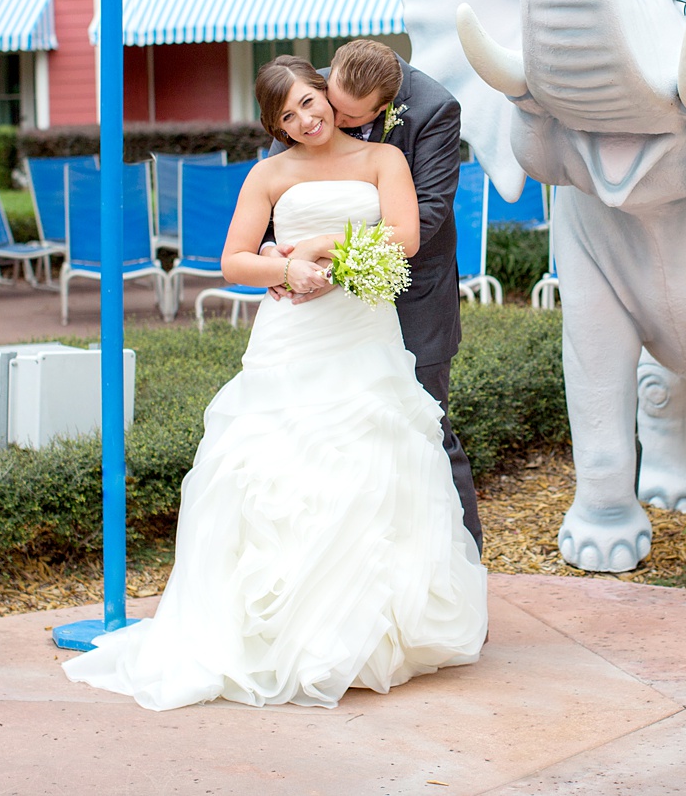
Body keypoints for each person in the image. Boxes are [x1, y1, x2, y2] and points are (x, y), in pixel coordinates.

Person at [62, 56, 488, 711]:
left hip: (362, 330)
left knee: (376, 459)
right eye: (287, 115)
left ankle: (375, 627)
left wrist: (319, 248)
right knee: (272, 468)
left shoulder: (383, 162)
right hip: (292, 334)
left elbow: (402, 238)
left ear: (327, 94)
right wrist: (282, 274)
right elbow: (234, 259)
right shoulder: (268, 173)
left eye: (311, 104)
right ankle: (273, 627)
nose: (306, 119)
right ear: (274, 124)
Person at [261, 39, 483, 552]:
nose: (327, 120)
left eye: (349, 115)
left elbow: (425, 216)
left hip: (411, 293)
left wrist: (332, 260)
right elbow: (279, 189)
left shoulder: (434, 109)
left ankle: (461, 569)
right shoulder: (309, 93)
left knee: (425, 427)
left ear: (384, 108)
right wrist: (274, 250)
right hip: (318, 313)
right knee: (323, 436)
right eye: (327, 102)